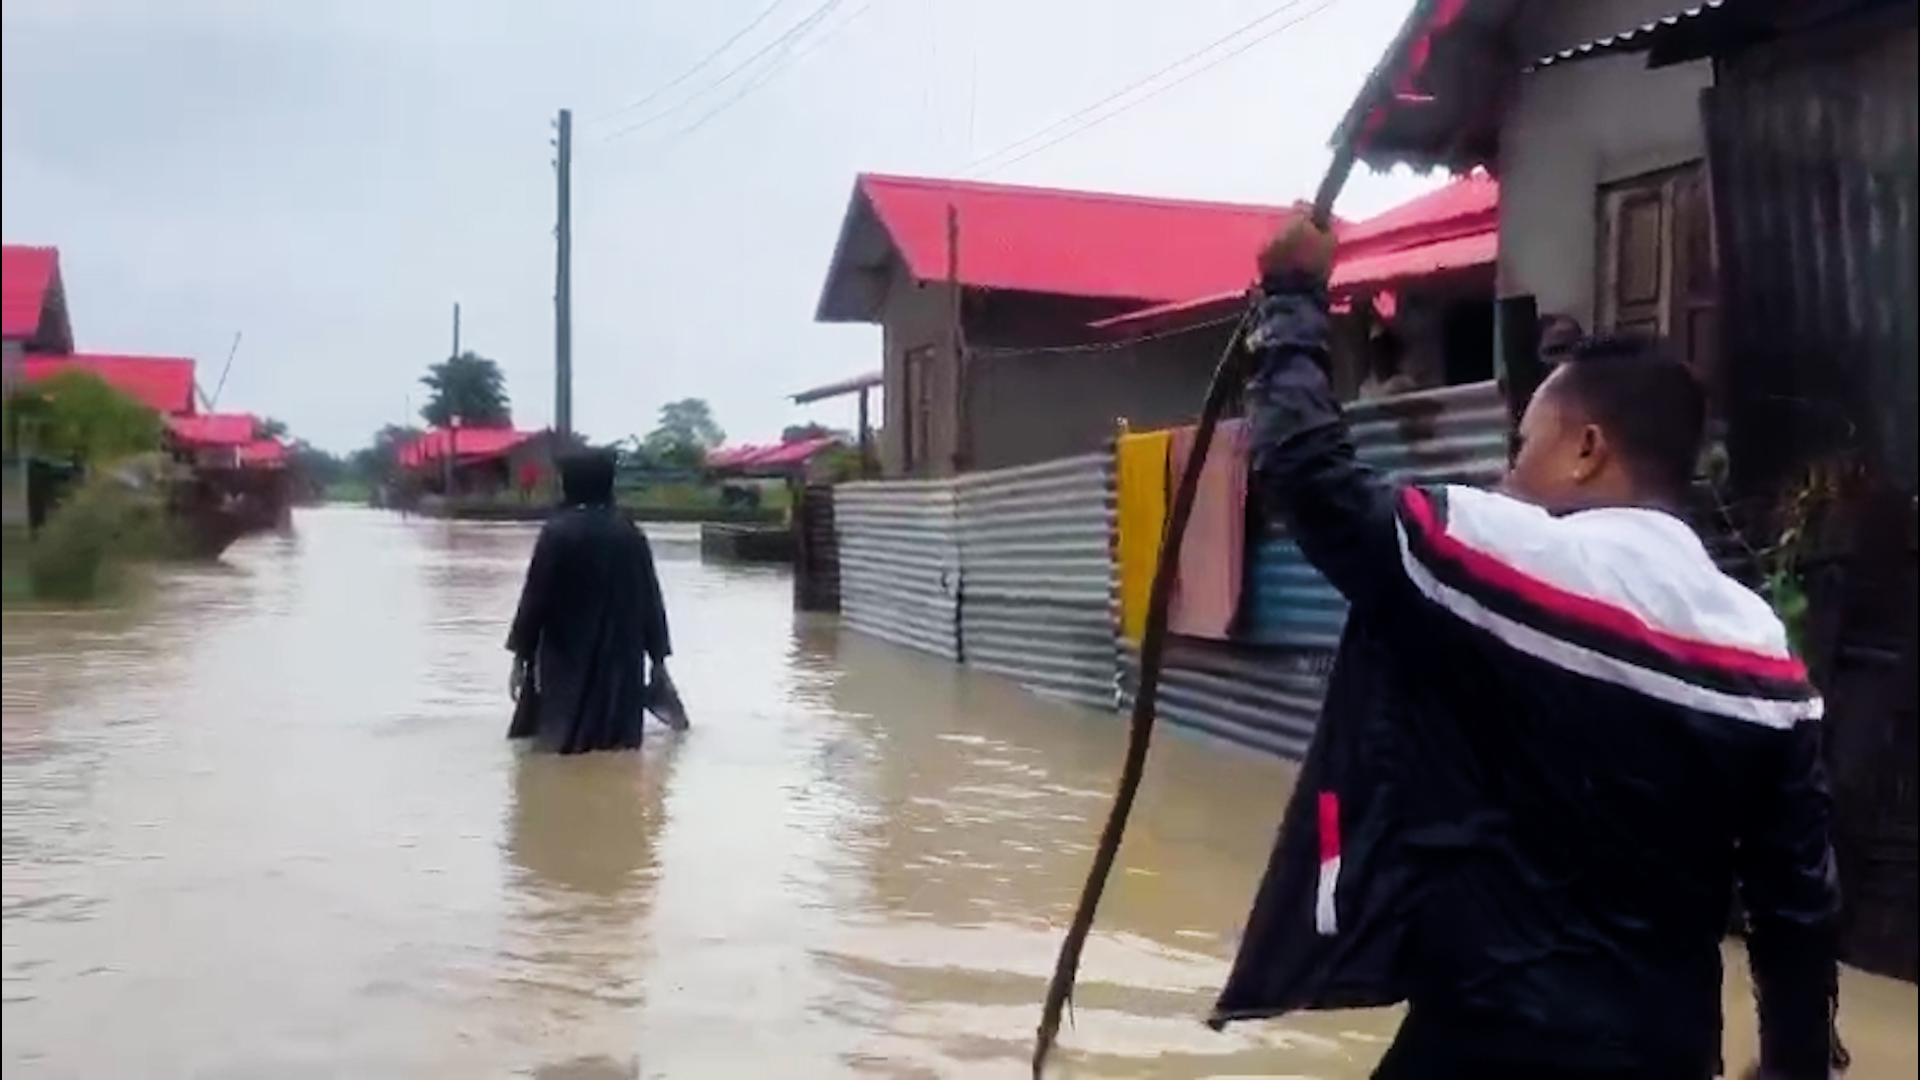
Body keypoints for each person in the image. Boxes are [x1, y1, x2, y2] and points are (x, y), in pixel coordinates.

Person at [1206, 211, 1841, 1080]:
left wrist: (1292, 301)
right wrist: (1790, 1068)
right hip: (1668, 1053)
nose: (1509, 472)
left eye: (1522, 445)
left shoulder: (1507, 554)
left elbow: (1308, 476)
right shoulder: (1765, 659)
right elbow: (1796, 907)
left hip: (1487, 1042)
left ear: (1587, 450)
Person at [506, 448, 673, 754]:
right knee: (618, 746)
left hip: (567, 659)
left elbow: (535, 599)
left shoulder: (557, 533)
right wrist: (659, 659)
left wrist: (521, 655)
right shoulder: (630, 533)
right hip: (622, 660)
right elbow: (651, 599)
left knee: (565, 743)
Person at [1356, 321, 1416, 401]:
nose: (1378, 356)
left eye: (1381, 349)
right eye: (1374, 349)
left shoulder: (1403, 383)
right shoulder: (1366, 389)